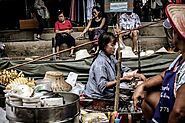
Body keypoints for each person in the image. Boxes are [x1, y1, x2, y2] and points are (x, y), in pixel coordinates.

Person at [132, 4, 185, 123]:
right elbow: (165, 75)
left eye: (174, 31)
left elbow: (179, 112)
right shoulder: (180, 59)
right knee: (147, 95)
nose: (172, 35)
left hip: (175, 116)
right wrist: (143, 86)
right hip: (168, 108)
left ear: (179, 36)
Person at [83, 32, 146, 99]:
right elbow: (103, 85)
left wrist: (136, 74)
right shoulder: (100, 63)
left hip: (108, 92)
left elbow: (122, 68)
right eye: (112, 45)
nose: (114, 48)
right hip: (97, 95)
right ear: (104, 46)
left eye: (114, 45)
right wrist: (121, 79)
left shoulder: (110, 57)